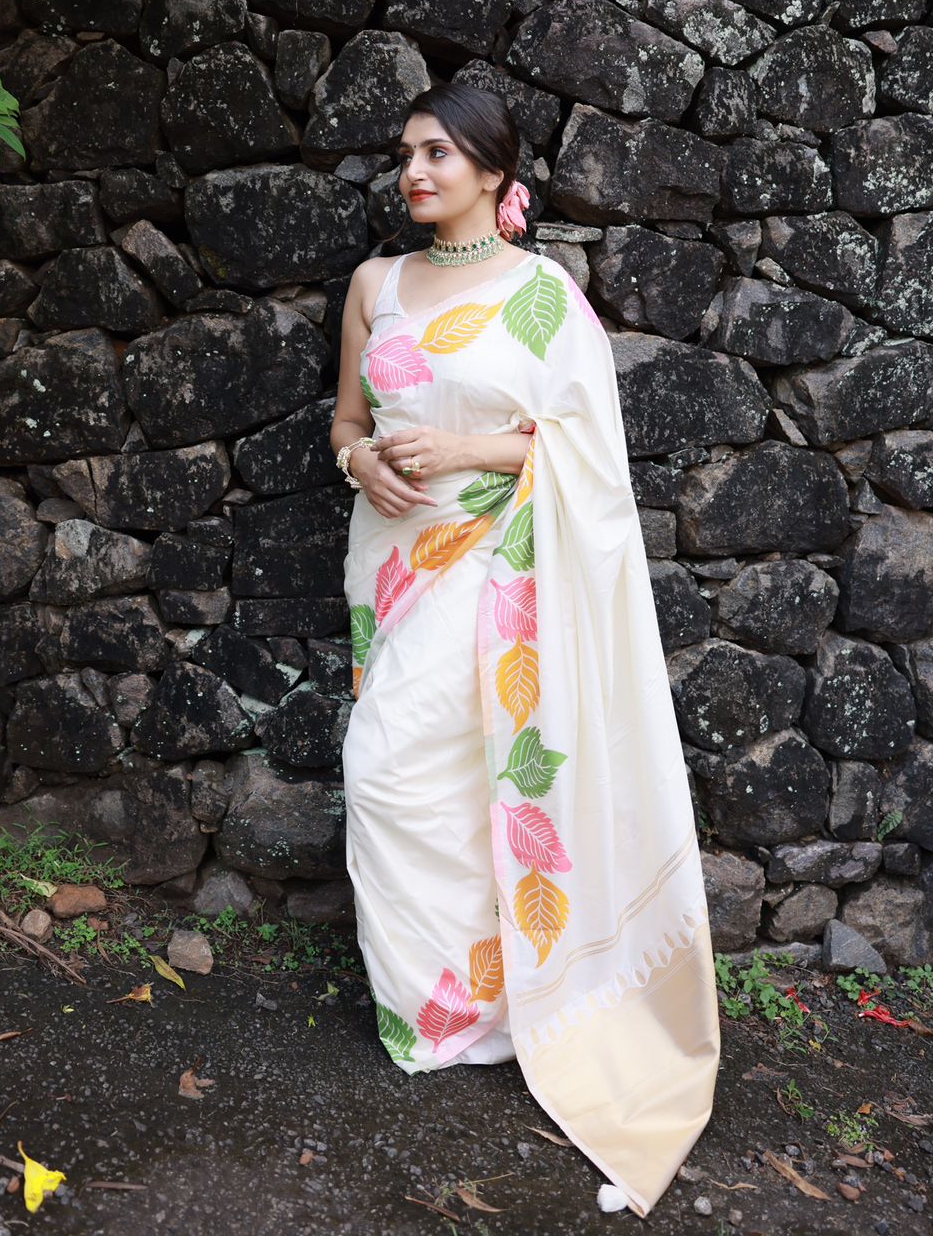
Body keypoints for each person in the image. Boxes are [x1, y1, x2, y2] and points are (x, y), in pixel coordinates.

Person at [330, 81, 720, 1219]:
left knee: (467, 771)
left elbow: (581, 447)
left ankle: (516, 1003)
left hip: (505, 571)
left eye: (439, 153)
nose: (415, 171)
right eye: (406, 152)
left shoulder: (544, 294)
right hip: (399, 567)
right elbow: (347, 423)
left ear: (497, 174)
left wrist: (465, 444)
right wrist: (361, 462)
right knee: (403, 779)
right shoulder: (374, 286)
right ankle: (438, 1013)